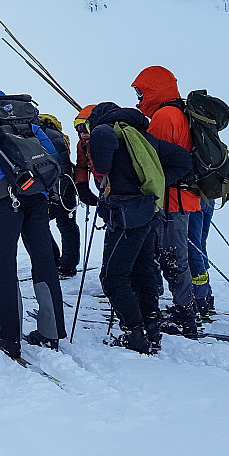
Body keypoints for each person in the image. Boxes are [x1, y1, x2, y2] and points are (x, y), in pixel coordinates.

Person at [0, 89, 66, 358]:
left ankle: (9, 336)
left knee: (4, 263)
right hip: (36, 193)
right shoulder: (22, 116)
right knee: (43, 260)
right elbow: (50, 151)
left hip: (3, 196)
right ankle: (51, 333)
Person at [86, 102, 192, 354]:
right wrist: (151, 180)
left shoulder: (106, 132)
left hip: (124, 214)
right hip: (147, 210)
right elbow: (182, 160)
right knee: (142, 270)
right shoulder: (143, 138)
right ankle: (151, 328)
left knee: (112, 277)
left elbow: (101, 166)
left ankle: (135, 332)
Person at [131, 66, 201, 338]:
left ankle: (185, 316)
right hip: (183, 198)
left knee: (173, 257)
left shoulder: (164, 116)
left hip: (173, 200)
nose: (138, 99)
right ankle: (184, 309)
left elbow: (153, 161)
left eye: (140, 92)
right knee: (173, 255)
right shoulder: (179, 112)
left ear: (153, 90)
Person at [38, 113, 80, 277]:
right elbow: (64, 166)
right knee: (67, 227)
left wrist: (53, 194)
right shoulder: (57, 136)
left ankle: (55, 261)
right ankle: (68, 265)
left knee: (40, 225)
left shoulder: (44, 135)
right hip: (65, 187)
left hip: (54, 188)